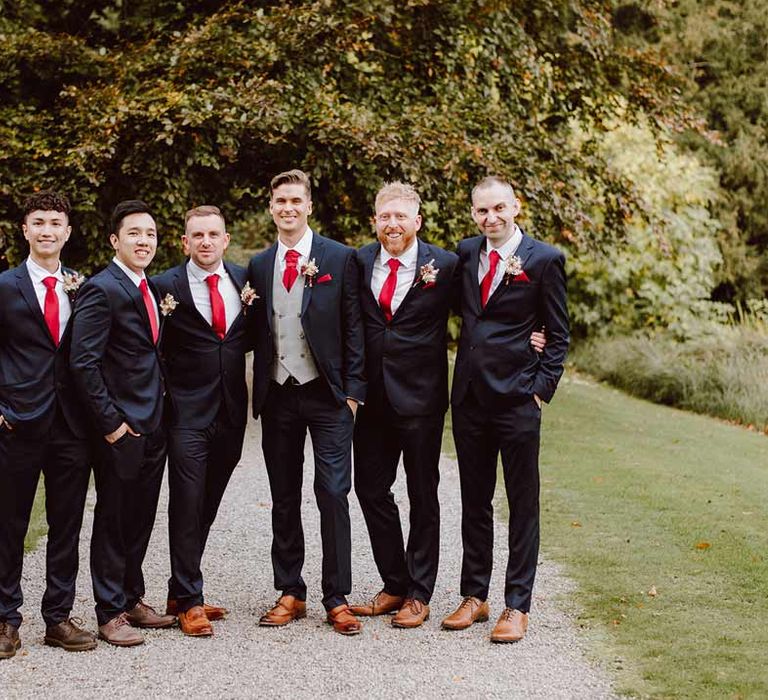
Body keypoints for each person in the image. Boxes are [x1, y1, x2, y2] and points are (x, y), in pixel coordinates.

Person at [442, 176, 569, 643]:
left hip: (517, 398)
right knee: (474, 502)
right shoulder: (465, 251)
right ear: (473, 213)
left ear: (516, 206)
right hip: (471, 398)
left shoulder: (545, 259)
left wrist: (540, 388)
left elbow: (558, 333)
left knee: (521, 503)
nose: (491, 218)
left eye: (499, 208)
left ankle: (517, 605)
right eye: (482, 211)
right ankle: (474, 597)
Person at [248, 169, 366, 635]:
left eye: (295, 200)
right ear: (271, 207)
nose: (288, 208)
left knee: (334, 492)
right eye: (280, 201)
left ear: (309, 206)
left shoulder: (341, 257)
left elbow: (354, 327)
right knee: (283, 496)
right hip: (278, 393)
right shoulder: (258, 266)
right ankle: (290, 591)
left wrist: (353, 393)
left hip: (328, 394)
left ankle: (336, 597)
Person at [349, 182, 459, 628]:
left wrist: (535, 335)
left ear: (417, 221)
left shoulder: (446, 265)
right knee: (370, 490)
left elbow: (484, 308)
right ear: (375, 220)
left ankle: (419, 592)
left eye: (400, 216)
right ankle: (395, 582)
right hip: (371, 398)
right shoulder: (358, 262)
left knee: (422, 493)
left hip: (421, 398)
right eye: (384, 216)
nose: (392, 224)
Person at [70, 200, 175, 647]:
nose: (144, 241)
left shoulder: (148, 286)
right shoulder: (102, 288)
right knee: (113, 519)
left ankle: (132, 597)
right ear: (115, 240)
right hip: (121, 430)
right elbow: (83, 363)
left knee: (140, 517)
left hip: (154, 423)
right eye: (134, 233)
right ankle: (108, 610)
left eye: (150, 234)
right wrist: (112, 425)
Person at [0, 191, 96, 658]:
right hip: (16, 423)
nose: (47, 231)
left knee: (66, 525)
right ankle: (5, 618)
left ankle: (57, 617)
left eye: (56, 223)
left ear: (67, 232)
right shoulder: (4, 286)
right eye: (38, 222)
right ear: (25, 230)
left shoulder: (83, 286)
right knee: (8, 523)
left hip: (72, 426)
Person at [153, 205, 251, 637]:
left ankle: (180, 589)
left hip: (231, 414)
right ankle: (190, 601)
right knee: (187, 503)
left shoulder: (246, 282)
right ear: (185, 242)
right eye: (198, 235)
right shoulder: (164, 287)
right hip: (186, 415)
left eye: (214, 234)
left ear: (225, 239)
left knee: (207, 505)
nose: (206, 241)